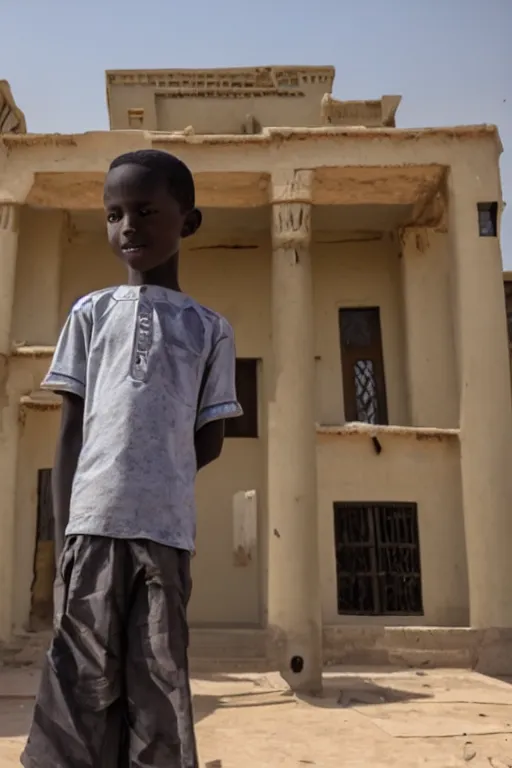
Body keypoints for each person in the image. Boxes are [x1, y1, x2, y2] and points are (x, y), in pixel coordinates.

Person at [21, 149, 242, 768]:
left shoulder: (210, 329)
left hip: (165, 534)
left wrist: (154, 475)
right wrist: (66, 533)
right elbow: (70, 433)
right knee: (78, 681)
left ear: (187, 222)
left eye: (146, 211)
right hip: (88, 530)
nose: (129, 227)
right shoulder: (89, 314)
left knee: (158, 682)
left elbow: (210, 437)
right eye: (115, 214)